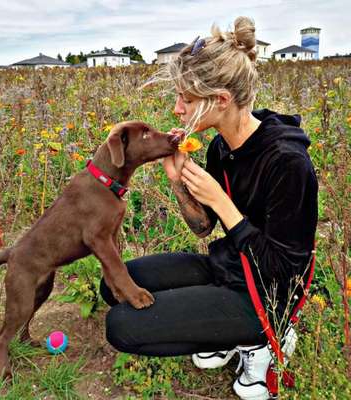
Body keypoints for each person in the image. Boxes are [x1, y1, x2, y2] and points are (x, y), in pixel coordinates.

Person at [99, 16, 318, 400]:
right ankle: (218, 330)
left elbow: (287, 269)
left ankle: (261, 338)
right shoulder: (221, 147)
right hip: (228, 266)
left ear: (220, 100)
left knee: (122, 326)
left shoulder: (287, 161)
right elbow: (204, 228)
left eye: (186, 98)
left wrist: (222, 201)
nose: (177, 109)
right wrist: (180, 184)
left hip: (265, 294)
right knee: (113, 285)